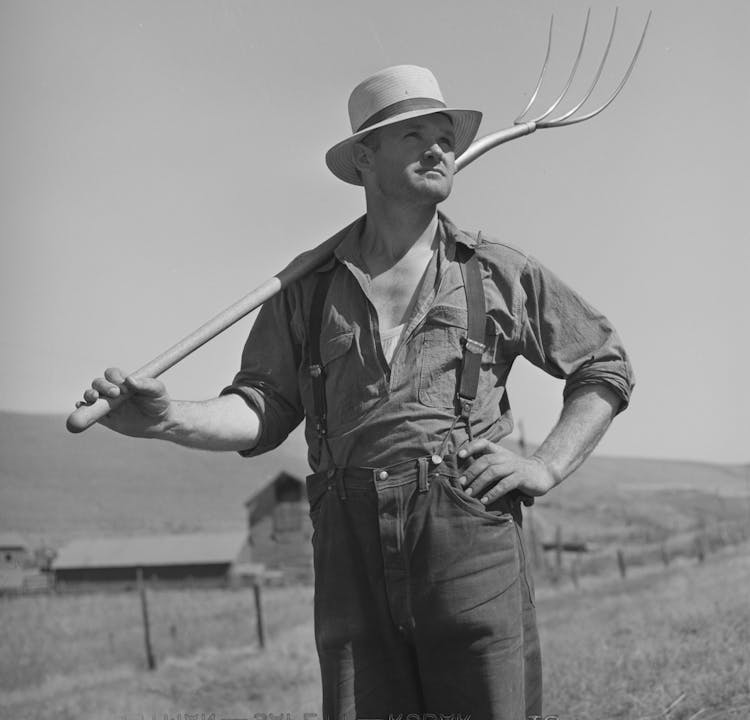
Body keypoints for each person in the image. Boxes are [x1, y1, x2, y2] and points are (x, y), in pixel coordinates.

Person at [81, 64, 634, 720]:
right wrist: (167, 418)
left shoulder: (495, 273)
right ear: (364, 158)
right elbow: (261, 410)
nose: (439, 148)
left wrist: (544, 465)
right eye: (415, 136)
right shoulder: (306, 291)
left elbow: (603, 365)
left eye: (444, 136)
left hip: (469, 534)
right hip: (348, 541)